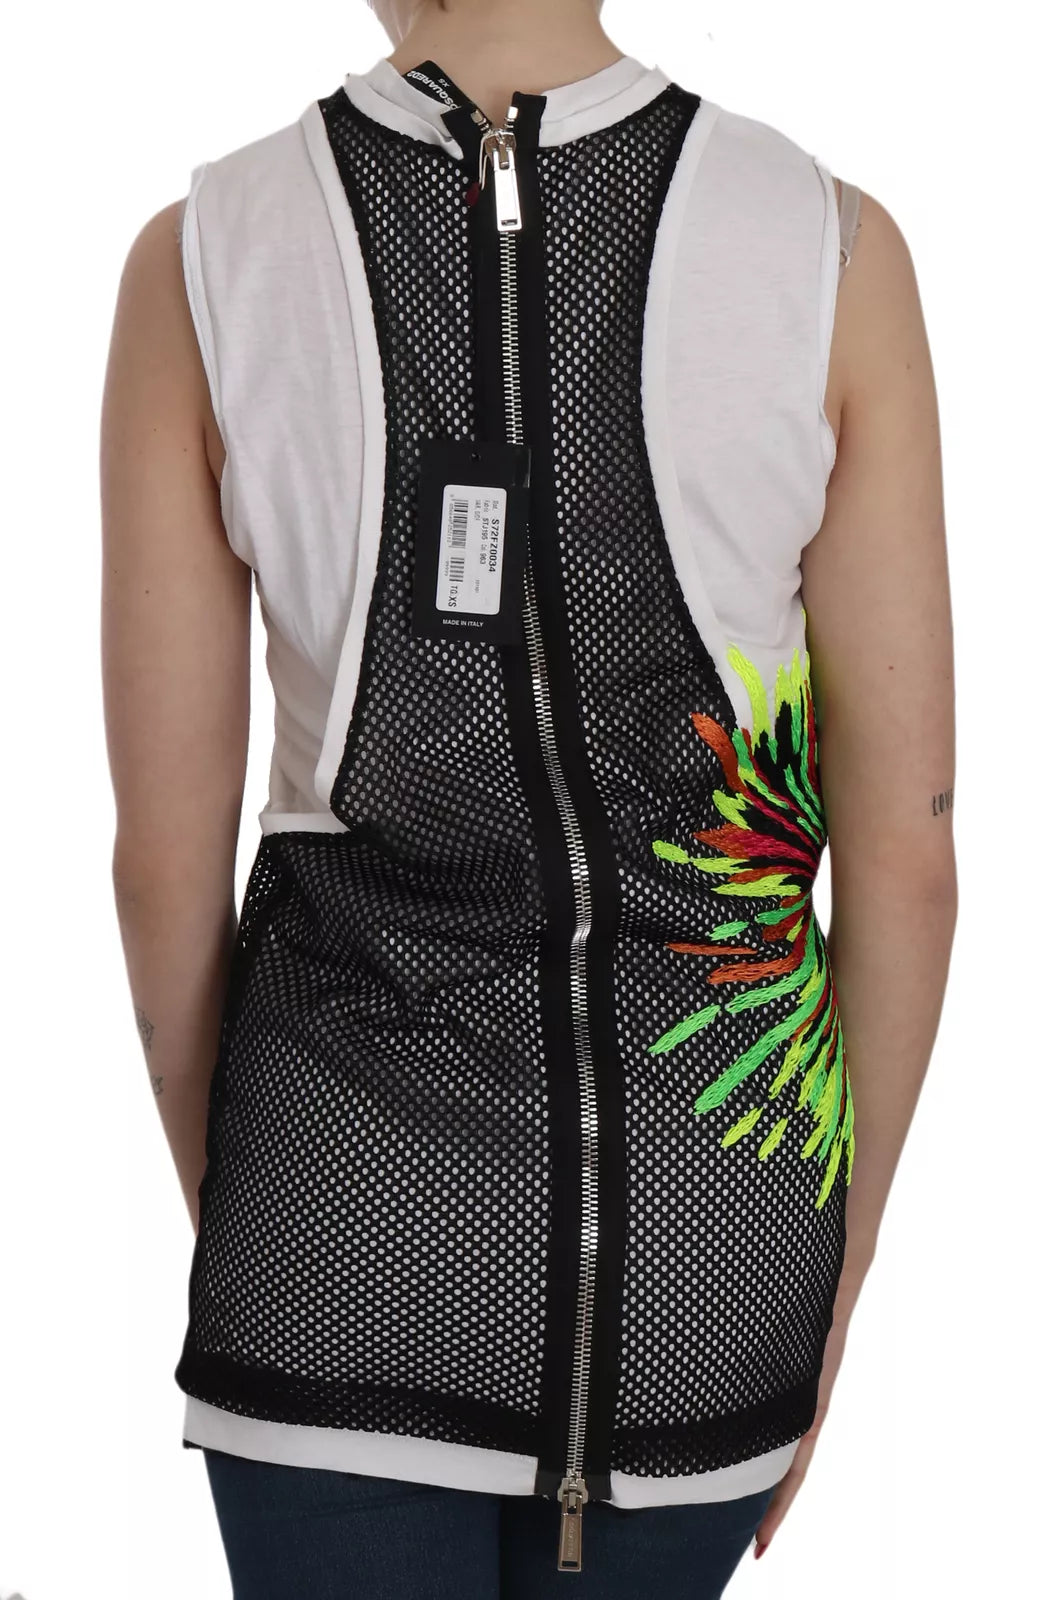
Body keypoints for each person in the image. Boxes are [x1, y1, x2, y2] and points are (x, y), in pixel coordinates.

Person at [100, 0, 957, 1594]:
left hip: (338, 1221)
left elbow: (163, 861)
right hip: (709, 1244)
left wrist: (261, 1207)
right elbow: (907, 855)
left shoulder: (204, 256)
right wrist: (832, 1273)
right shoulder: (831, 244)